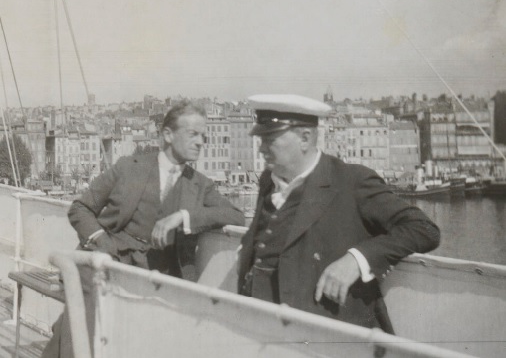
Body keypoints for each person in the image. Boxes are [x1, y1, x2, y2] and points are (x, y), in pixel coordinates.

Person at [43, 100, 245, 358]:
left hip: (159, 274)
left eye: (203, 136)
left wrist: (183, 216)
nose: (200, 142)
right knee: (85, 320)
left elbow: (236, 215)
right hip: (108, 261)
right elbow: (81, 208)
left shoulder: (200, 184)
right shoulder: (129, 167)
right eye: (193, 134)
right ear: (168, 135)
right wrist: (101, 240)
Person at [238, 94, 440, 333]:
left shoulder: (351, 181)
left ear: (305, 138)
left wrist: (358, 259)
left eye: (269, 139)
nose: (261, 148)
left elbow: (424, 229)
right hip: (264, 328)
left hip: (327, 337)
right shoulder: (268, 180)